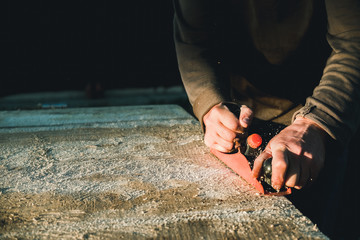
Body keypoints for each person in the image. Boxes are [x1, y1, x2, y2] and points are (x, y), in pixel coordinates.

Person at [173, 0, 360, 238]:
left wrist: (318, 121)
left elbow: (353, 41)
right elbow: (193, 39)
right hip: (240, 107)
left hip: (323, 107)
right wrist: (210, 103)